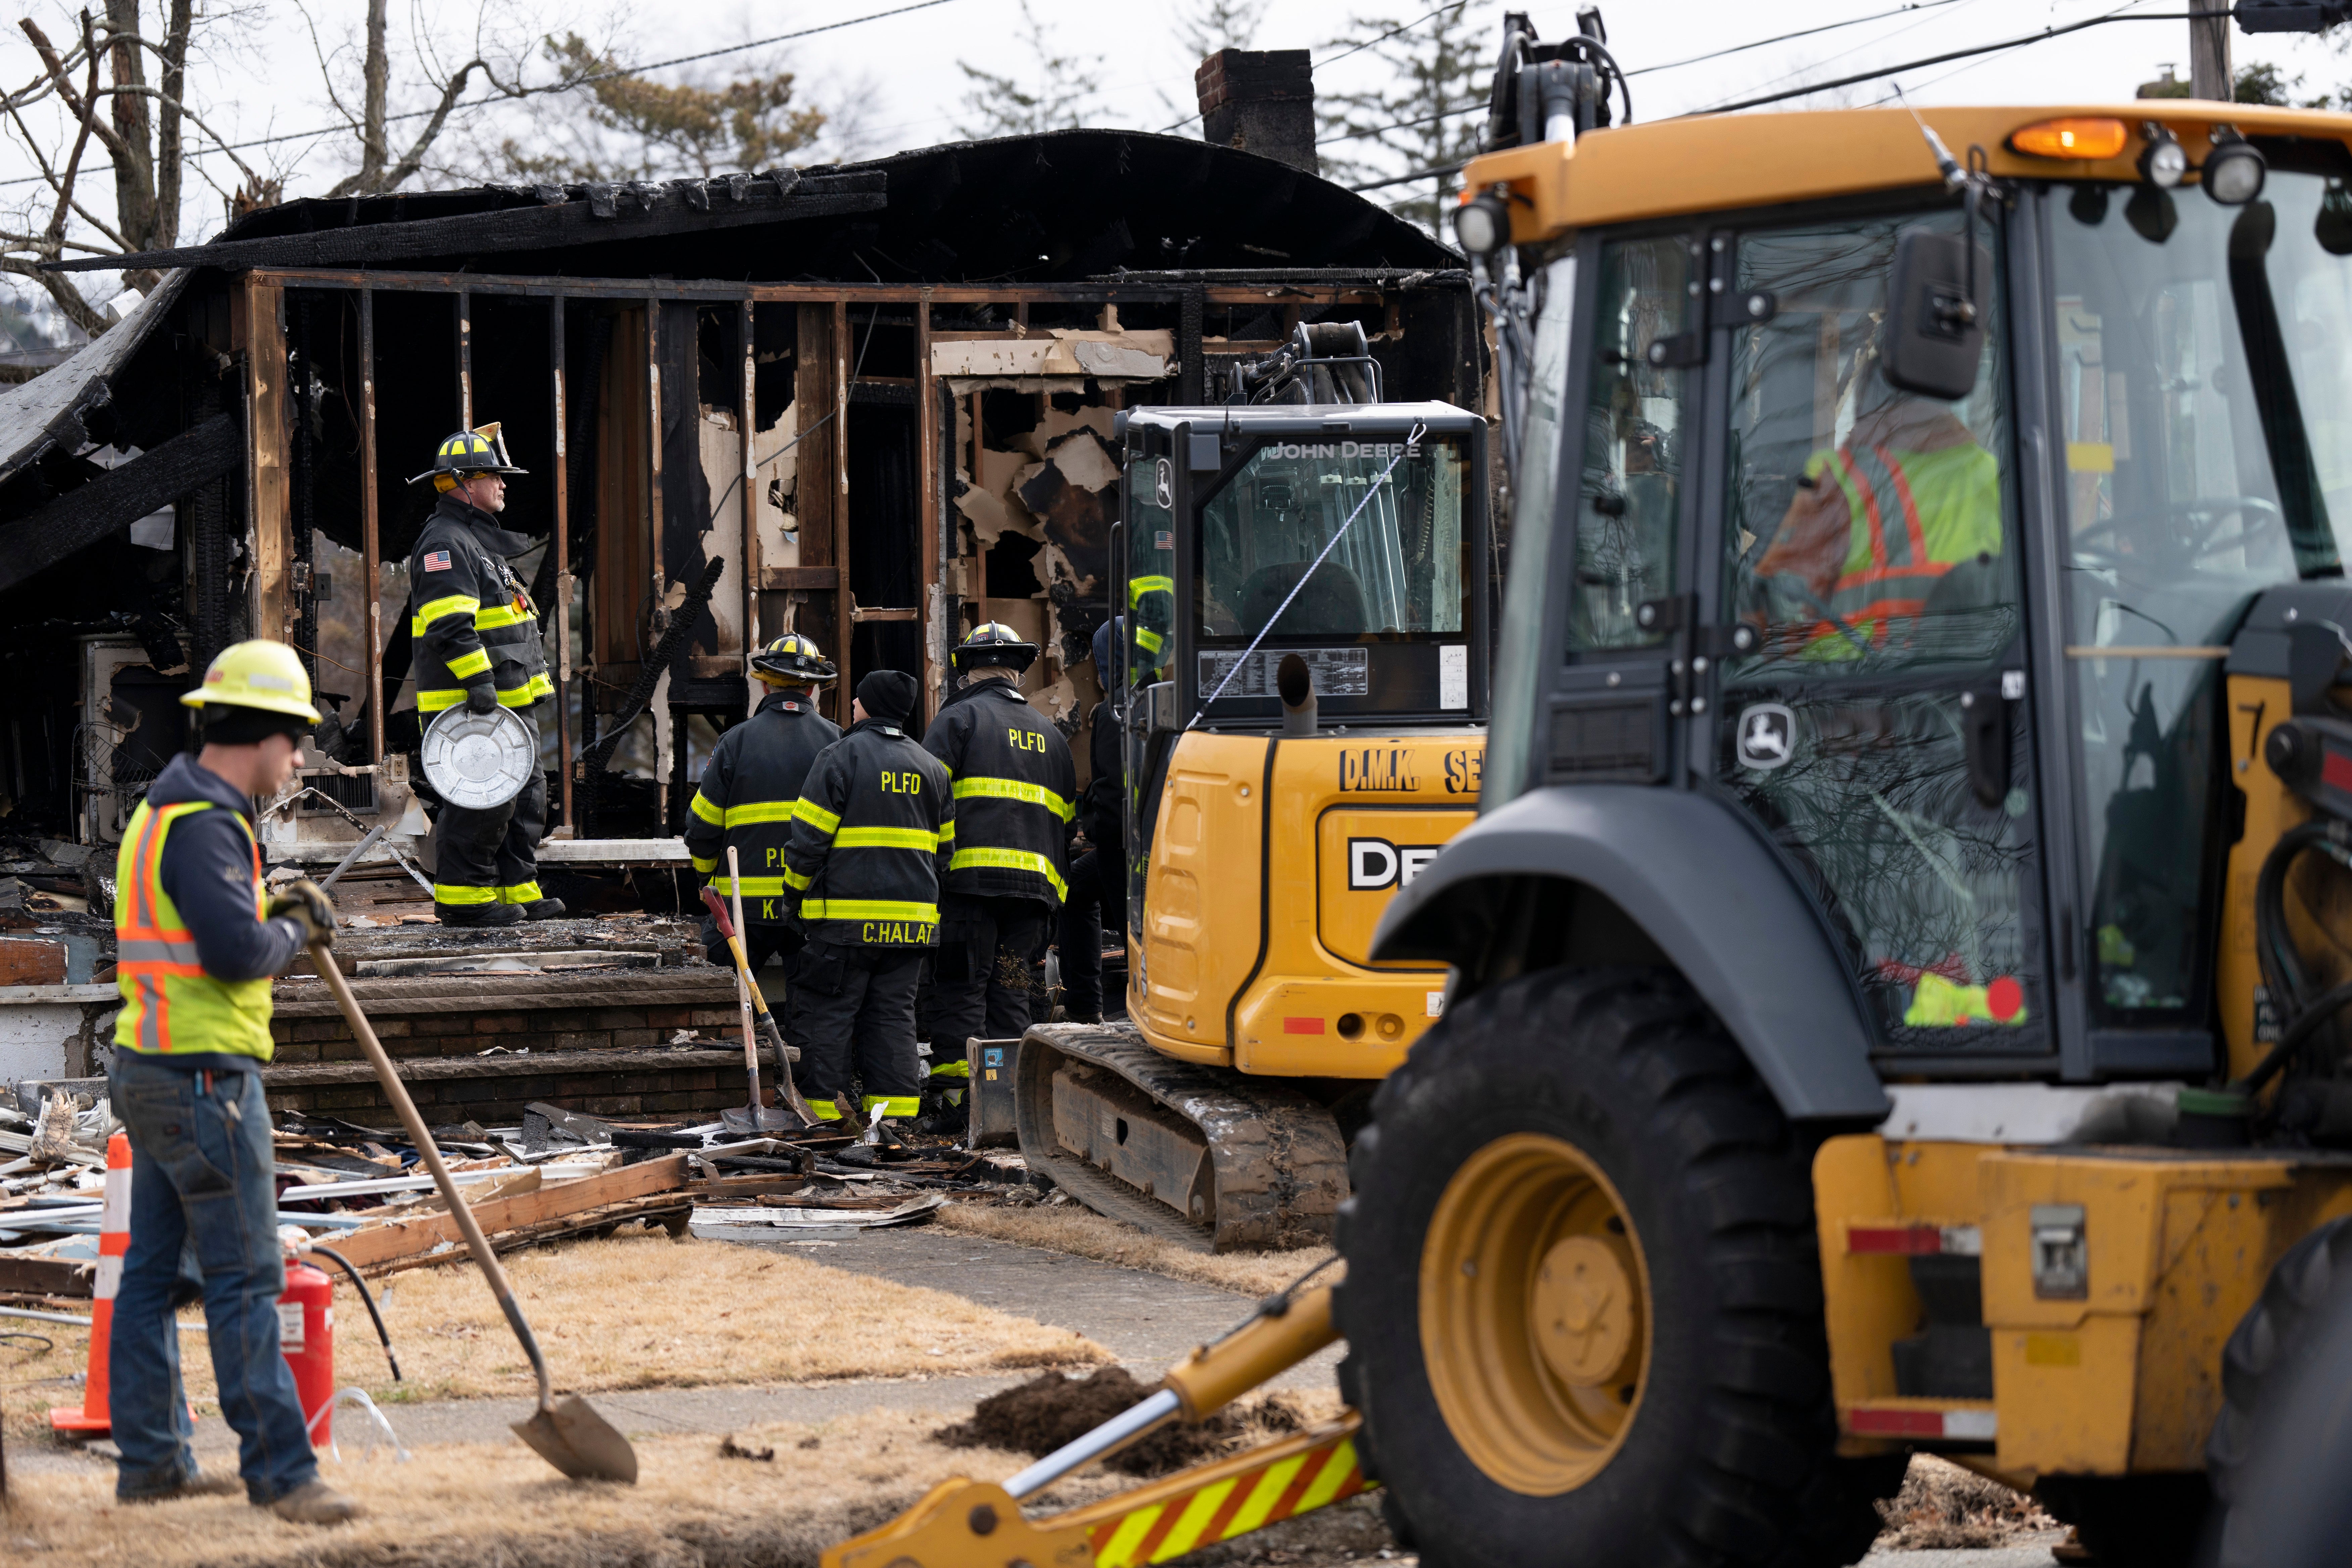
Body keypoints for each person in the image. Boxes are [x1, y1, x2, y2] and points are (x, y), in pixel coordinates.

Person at [107, 641, 357, 1522]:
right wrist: (293, 930)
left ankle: (153, 1466)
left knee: (147, 1279)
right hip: (205, 1079)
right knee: (246, 1278)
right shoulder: (211, 823)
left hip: (151, 1066)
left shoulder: (163, 811)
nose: (297, 763)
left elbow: (203, 919)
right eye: (296, 744)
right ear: (261, 734)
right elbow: (235, 951)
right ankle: (285, 1478)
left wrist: (270, 900)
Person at [777, 669, 953, 1124]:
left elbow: (808, 842)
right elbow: (945, 853)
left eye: (856, 701)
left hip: (844, 924)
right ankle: (892, 1119)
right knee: (894, 1017)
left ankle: (826, 1118)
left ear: (869, 706)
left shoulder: (840, 757)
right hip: (911, 927)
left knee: (830, 1015)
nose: (852, 707)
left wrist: (791, 899)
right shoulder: (933, 769)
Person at [404, 424, 559, 927]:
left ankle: (520, 889)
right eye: (495, 476)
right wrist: (480, 684)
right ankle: (464, 900)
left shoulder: (477, 541)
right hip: (473, 708)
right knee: (482, 803)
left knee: (526, 797)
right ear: (463, 483)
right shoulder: (445, 544)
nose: (504, 485)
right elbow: (450, 625)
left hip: (509, 706)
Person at [920, 624, 1076, 1113]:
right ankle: (1009, 1101)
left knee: (963, 987)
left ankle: (957, 1100)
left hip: (969, 888)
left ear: (967, 674)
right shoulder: (1053, 737)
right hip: (1033, 899)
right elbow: (1066, 826)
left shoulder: (957, 720)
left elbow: (924, 800)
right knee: (1011, 989)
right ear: (1019, 675)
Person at [1753, 390, 2001, 656]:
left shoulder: (1840, 475)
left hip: (1849, 677)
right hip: (1974, 669)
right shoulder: (1992, 471)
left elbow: (1782, 609)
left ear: (1868, 406)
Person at [684, 633, 842, 972]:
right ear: (813, 689)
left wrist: (705, 879)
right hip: (813, 907)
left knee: (728, 1002)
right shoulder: (841, 743)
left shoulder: (735, 742)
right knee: (817, 1014)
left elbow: (701, 828)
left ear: (766, 686)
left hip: (744, 911)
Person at [1060, 617, 1129, 1023]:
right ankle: (1085, 1008)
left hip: (1123, 847)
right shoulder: (1170, 694)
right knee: (1074, 888)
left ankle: (1088, 1009)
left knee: (1134, 936)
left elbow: (1112, 789)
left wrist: (1092, 829)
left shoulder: (1115, 711)